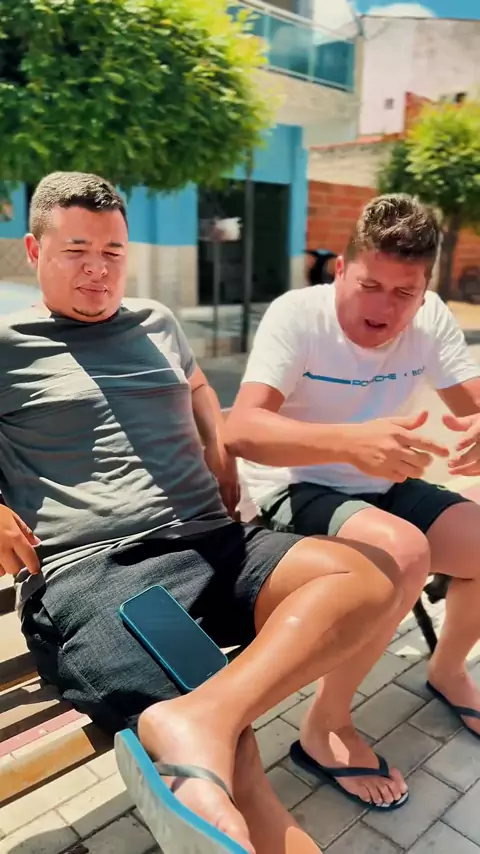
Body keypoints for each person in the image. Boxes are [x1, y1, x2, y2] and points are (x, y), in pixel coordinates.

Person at [0, 171, 401, 854]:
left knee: (365, 577)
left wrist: (222, 459)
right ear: (35, 251)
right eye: (76, 251)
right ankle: (211, 738)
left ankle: (202, 718)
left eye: (113, 251)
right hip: (102, 573)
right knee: (236, 775)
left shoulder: (156, 320)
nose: (98, 269)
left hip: (214, 544)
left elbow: (197, 393)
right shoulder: (8, 344)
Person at [226, 193, 480, 811]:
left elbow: (471, 399)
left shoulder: (430, 318)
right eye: (370, 286)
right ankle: (326, 727)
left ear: (425, 289)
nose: (384, 308)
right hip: (293, 483)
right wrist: (349, 442)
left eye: (404, 293)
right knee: (404, 551)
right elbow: (241, 430)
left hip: (382, 482)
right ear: (340, 269)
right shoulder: (297, 316)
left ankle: (448, 670)